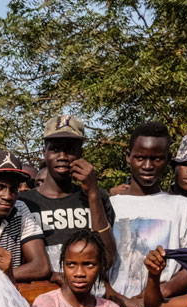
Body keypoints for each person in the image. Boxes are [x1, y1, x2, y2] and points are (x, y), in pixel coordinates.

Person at [106, 122, 187, 307]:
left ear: (167, 160)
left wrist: (151, 300)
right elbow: (92, 263)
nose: (148, 166)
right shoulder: (110, 205)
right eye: (140, 157)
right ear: (128, 157)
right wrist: (123, 303)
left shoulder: (183, 207)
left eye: (156, 159)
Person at [19, 114, 116, 278]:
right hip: (40, 297)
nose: (62, 157)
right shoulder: (24, 203)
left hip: (88, 297)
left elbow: (107, 258)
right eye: (55, 149)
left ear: (80, 153)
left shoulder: (96, 197)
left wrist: (92, 192)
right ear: (44, 153)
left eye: (70, 150)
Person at [0, 150, 50, 282]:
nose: (8, 196)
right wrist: (6, 275)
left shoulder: (19, 209)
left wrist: (5, 273)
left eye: (14, 189)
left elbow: (41, 266)